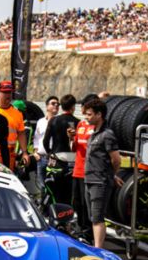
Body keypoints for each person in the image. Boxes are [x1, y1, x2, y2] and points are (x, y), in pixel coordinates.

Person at [81, 99, 125, 249]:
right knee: (92, 217)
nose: (86, 117)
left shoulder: (107, 134)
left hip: (100, 182)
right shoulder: (94, 134)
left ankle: (98, 250)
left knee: (98, 218)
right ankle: (96, 247)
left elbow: (116, 160)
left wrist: (110, 174)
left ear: (99, 115)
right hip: (90, 179)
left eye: (89, 114)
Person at [44, 94, 78, 205]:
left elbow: (45, 141)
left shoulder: (53, 120)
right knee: (69, 195)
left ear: (61, 106)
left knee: (53, 192)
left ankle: (52, 215)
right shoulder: (78, 122)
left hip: (56, 160)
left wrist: (50, 153)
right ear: (73, 107)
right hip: (73, 162)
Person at [69, 102, 94, 242]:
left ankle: (88, 233)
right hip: (77, 170)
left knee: (86, 204)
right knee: (77, 203)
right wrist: (71, 138)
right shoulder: (80, 125)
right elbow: (74, 148)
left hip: (89, 171)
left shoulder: (96, 126)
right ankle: (80, 230)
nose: (83, 110)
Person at [0, 80, 29, 170]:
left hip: (10, 154)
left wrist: (25, 153)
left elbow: (21, 133)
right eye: (5, 92)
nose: (8, 95)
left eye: (10, 92)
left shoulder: (17, 113)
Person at [32, 96, 58, 194]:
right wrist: (35, 152)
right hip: (40, 157)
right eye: (53, 103)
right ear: (47, 106)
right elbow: (36, 138)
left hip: (53, 158)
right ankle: (42, 206)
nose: (56, 105)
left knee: (52, 184)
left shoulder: (59, 121)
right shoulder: (40, 121)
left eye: (58, 104)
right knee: (41, 185)